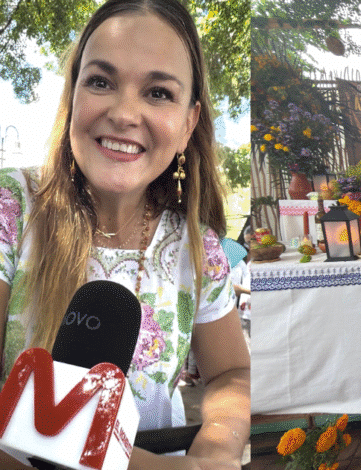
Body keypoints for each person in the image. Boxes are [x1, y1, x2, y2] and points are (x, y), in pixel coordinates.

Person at [0, 0, 249, 469]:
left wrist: (216, 446)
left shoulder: (199, 249)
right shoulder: (10, 209)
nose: (124, 112)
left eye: (157, 93)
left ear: (188, 124)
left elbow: (232, 372)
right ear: (72, 96)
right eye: (100, 81)